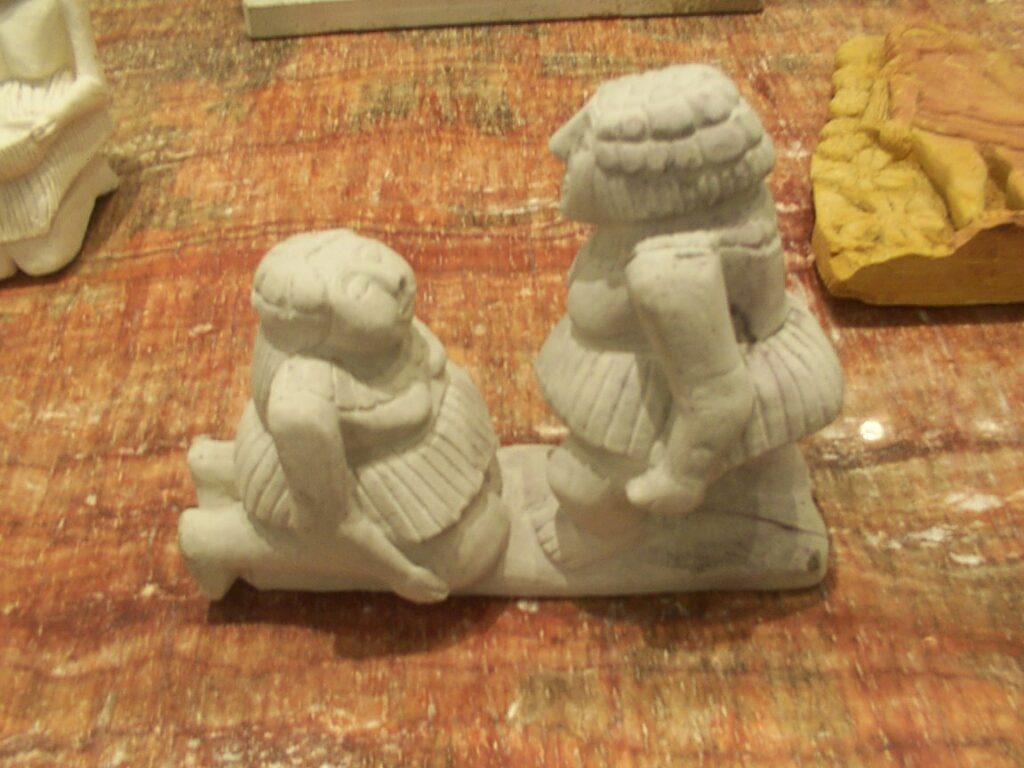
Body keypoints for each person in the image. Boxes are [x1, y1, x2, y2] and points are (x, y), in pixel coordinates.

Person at [534, 65, 843, 567]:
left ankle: (614, 539)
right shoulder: (684, 222)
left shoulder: (669, 271)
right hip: (665, 375)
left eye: (586, 141)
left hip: (674, 400)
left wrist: (680, 476)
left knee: (575, 485)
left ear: (647, 188)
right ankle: (738, 485)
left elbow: (719, 396)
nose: (559, 144)